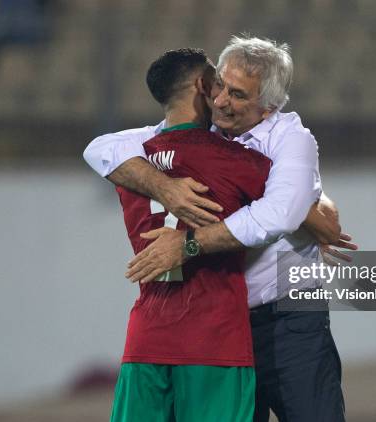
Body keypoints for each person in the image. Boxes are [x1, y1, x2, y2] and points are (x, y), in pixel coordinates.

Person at [84, 36, 355, 421]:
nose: (222, 101)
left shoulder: (289, 138)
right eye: (220, 87)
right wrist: (166, 188)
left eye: (238, 95)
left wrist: (189, 244)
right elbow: (100, 148)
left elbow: (281, 213)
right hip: (225, 323)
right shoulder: (204, 132)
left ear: (269, 106)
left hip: (289, 316)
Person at [110, 48, 272, 422]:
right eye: (217, 84)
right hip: (213, 340)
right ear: (203, 86)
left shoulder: (129, 165)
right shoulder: (235, 161)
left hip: (145, 341)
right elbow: (291, 205)